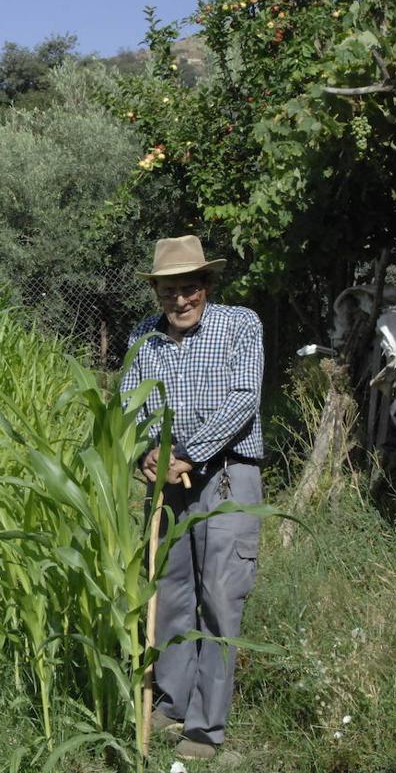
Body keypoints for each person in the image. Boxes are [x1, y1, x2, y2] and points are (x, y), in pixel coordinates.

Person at [119, 235, 264, 761]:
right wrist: (147, 455)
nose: (178, 301)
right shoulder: (144, 336)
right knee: (171, 591)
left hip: (226, 474)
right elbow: (130, 403)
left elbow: (244, 398)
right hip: (166, 480)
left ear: (206, 287)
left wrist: (190, 452)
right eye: (167, 291)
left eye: (189, 290)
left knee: (221, 597)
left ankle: (207, 728)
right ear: (156, 292)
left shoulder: (240, 325)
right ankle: (172, 704)